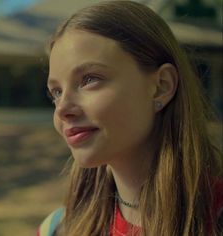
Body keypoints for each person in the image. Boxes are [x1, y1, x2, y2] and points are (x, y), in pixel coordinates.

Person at [37, 1, 223, 235]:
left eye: (89, 79)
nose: (62, 109)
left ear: (161, 86)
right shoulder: (56, 229)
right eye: (56, 92)